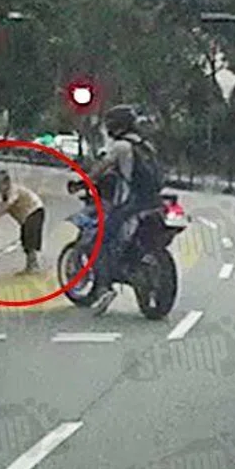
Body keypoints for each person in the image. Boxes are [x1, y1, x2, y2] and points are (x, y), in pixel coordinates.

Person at [81, 104, 164, 315]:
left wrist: (85, 180)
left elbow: (101, 168)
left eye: (109, 124)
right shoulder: (147, 145)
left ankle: (104, 288)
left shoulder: (120, 147)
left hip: (131, 203)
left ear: (115, 125)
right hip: (154, 202)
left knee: (100, 240)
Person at [0, 170, 46, 275]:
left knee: (30, 238)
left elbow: (6, 206)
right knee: (25, 239)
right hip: (27, 216)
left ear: (6, 183)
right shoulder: (4, 194)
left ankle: (34, 266)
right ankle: (31, 265)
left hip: (34, 211)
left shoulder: (13, 190)